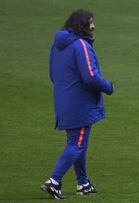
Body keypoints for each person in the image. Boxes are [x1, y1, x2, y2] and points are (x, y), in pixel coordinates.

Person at [41, 9, 114, 199]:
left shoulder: (58, 45)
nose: (93, 26)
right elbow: (90, 77)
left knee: (77, 143)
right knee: (77, 144)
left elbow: (52, 75)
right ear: (81, 25)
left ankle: (83, 183)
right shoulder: (80, 45)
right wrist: (108, 87)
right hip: (79, 105)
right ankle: (54, 181)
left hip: (64, 102)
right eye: (90, 22)